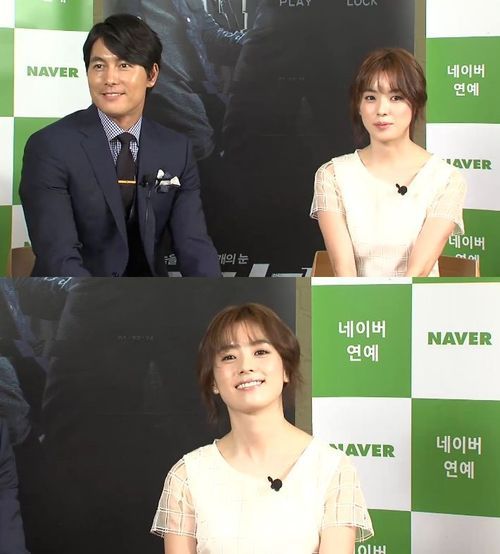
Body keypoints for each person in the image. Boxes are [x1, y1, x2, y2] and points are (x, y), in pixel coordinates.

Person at [151, 303, 373, 553]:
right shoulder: (187, 477)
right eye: (229, 357)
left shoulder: (332, 469)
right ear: (213, 381)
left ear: (286, 369)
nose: (246, 366)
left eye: (260, 352)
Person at [19, 14, 221, 277]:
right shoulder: (50, 147)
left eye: (124, 65)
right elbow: (59, 257)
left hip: (149, 296)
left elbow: (194, 246)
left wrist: (217, 298)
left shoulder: (176, 150)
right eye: (98, 66)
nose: (109, 79)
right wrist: (102, 303)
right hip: (75, 295)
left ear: (152, 75)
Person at [310, 48, 467, 277]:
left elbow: (418, 272)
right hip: (353, 299)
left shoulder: (447, 179)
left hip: (416, 298)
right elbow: (343, 270)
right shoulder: (332, 175)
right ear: (358, 106)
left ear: (415, 103)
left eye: (396, 97)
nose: (382, 110)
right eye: (370, 98)